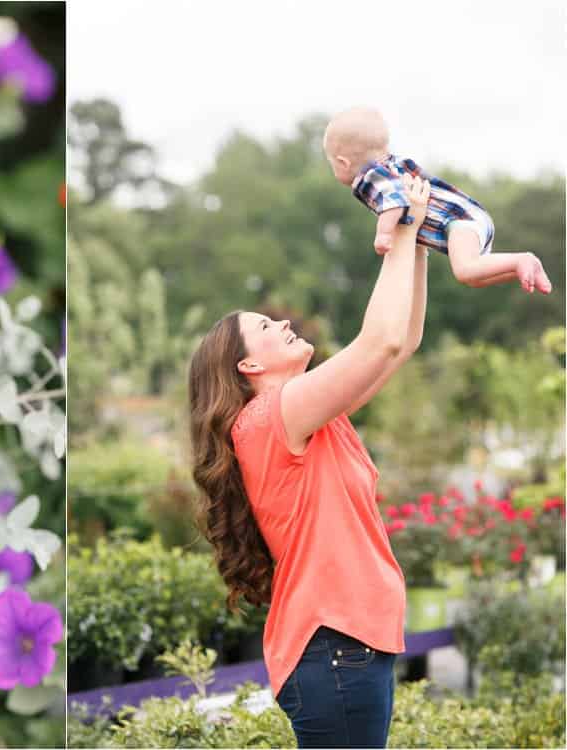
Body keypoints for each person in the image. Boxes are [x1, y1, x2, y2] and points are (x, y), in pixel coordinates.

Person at [186, 174, 432, 748]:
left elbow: (403, 341)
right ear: (247, 367)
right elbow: (379, 342)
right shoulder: (272, 418)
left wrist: (417, 245)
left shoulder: (311, 415)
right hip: (335, 648)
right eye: (267, 328)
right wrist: (402, 233)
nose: (286, 324)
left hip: (349, 647)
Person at [323, 106, 552, 294]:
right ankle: (520, 270)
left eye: (332, 165)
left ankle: (523, 260)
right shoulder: (392, 165)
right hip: (468, 220)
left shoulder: (371, 176)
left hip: (459, 221)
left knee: (465, 269)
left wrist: (384, 233)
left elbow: (393, 199)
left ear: (343, 162)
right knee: (473, 277)